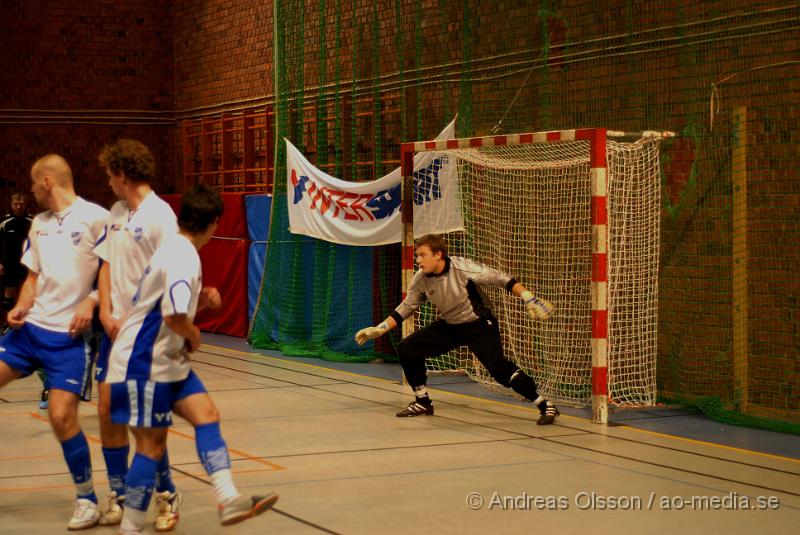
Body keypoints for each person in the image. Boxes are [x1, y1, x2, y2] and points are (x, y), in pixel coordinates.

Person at [106, 183, 278, 535]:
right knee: (151, 447)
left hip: (166, 358)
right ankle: (131, 527)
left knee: (207, 415)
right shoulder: (183, 255)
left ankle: (228, 498)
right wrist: (195, 332)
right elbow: (172, 317)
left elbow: (169, 307)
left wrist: (200, 303)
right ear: (215, 222)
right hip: (143, 360)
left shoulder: (174, 248)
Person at [0, 154, 108, 529]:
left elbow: (112, 272)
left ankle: (87, 499)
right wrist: (20, 306)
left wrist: (91, 300)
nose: (30, 191)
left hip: (70, 339)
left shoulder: (96, 217)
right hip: (28, 332)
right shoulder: (39, 225)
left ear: (47, 181)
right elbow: (32, 278)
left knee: (62, 416)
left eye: (33, 184)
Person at [355, 234, 560, 425]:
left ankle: (545, 405)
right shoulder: (421, 278)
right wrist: (380, 328)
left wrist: (529, 298)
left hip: (479, 324)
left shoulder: (463, 268)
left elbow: (503, 279)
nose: (419, 260)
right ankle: (422, 402)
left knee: (498, 369)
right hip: (450, 325)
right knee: (407, 348)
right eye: (417, 256)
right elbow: (407, 307)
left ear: (438, 255)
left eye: (423, 255)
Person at [93, 139, 182, 530]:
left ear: (122, 174)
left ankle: (165, 494)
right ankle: (119, 494)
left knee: (144, 421)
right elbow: (107, 266)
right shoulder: (115, 213)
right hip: (115, 331)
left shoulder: (161, 216)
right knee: (107, 409)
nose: (108, 182)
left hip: (150, 333)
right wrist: (105, 309)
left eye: (110, 175)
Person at [0, 194, 44, 406]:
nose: (18, 205)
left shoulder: (32, 222)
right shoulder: (4, 223)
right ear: (11, 204)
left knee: (27, 291)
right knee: (9, 292)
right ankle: (8, 326)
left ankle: (28, 323)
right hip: (8, 263)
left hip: (26, 265)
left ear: (24, 204)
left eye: (21, 202)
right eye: (15, 202)